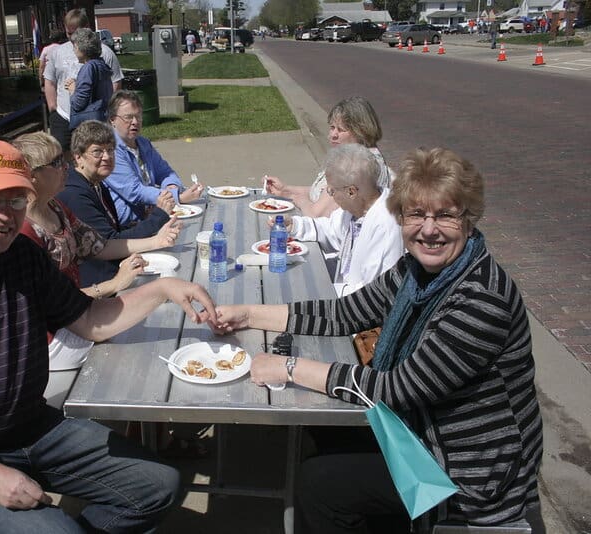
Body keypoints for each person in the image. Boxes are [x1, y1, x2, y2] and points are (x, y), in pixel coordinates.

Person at [0, 138, 217, 533]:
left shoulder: (21, 254)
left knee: (159, 486)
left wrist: (164, 289)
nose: (6, 215)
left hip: (30, 425)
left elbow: (90, 320)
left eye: (17, 201)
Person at [212, 147, 544, 533]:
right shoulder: (416, 270)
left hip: (468, 471)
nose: (429, 229)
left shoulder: (480, 298)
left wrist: (288, 366)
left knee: (320, 484)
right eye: (416, 214)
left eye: (446, 215)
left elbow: (397, 389)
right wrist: (249, 314)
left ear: (468, 220)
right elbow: (345, 313)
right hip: (421, 432)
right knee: (323, 430)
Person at [13, 131, 180, 299]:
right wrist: (114, 284)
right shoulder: (23, 232)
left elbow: (101, 246)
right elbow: (50, 302)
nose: (66, 167)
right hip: (66, 317)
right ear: (32, 175)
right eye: (56, 162)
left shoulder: (56, 207)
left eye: (64, 159)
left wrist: (156, 241)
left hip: (78, 310)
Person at [58, 120, 178, 287]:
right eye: (97, 151)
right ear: (78, 157)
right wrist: (157, 221)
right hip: (98, 283)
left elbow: (113, 231)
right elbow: (108, 243)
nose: (106, 157)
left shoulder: (97, 183)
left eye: (110, 150)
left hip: (112, 268)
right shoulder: (75, 195)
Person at [274, 144, 403, 296]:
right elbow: (331, 229)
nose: (330, 194)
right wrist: (295, 225)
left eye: (331, 191)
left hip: (357, 308)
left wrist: (320, 291)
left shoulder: (385, 226)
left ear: (351, 192)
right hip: (342, 293)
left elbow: (373, 292)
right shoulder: (357, 208)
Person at [265, 96, 393, 219]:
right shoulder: (359, 156)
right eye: (332, 127)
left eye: (340, 130)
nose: (332, 135)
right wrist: (285, 190)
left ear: (361, 131)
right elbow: (320, 194)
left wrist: (298, 199)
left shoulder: (356, 166)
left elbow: (316, 215)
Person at [106, 90, 204, 227]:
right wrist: (178, 198)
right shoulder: (110, 151)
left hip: (151, 215)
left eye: (138, 116)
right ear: (112, 120)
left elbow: (166, 172)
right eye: (128, 117)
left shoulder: (143, 143)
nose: (135, 122)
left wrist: (172, 187)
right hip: (128, 224)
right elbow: (134, 191)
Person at [43, 9, 123, 160]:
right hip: (63, 115)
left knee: (92, 156)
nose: (73, 39)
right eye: (69, 34)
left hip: (91, 118)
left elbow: (115, 83)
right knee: (61, 158)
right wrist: (53, 108)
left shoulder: (102, 54)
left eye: (76, 34)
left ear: (87, 27)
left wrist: (107, 108)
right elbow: (49, 80)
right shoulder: (57, 52)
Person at [66, 29, 112, 131]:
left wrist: (72, 89)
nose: (73, 50)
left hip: (89, 126)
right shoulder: (102, 65)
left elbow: (79, 103)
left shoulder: (88, 68)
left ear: (78, 47)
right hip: (103, 119)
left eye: (74, 47)